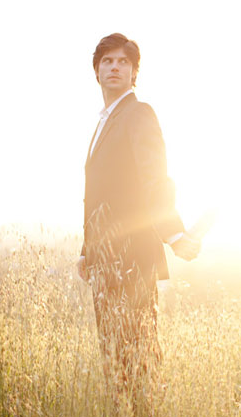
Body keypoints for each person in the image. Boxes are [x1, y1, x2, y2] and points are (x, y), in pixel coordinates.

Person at [78, 32, 200, 392]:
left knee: (138, 349)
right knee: (113, 351)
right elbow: (101, 193)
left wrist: (174, 233)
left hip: (133, 254)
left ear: (134, 73)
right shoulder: (104, 121)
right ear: (96, 72)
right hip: (105, 256)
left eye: (123, 62)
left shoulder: (139, 113)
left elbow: (154, 177)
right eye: (107, 61)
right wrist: (88, 250)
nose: (115, 67)